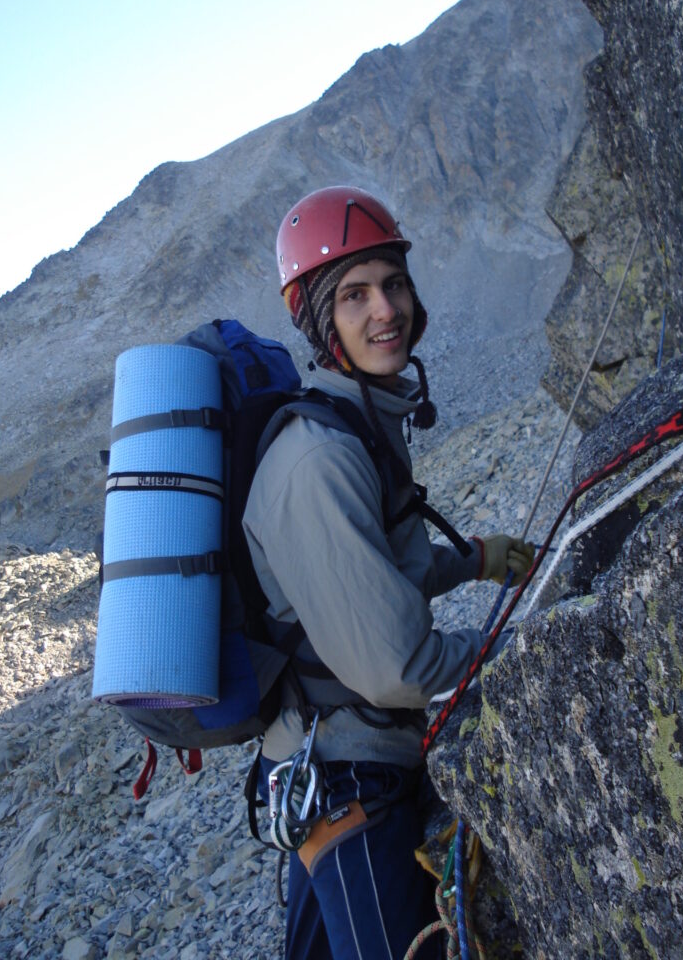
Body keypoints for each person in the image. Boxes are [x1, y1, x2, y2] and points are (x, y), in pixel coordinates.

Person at [243, 186, 534, 959]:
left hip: (335, 773)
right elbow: (396, 667)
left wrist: (474, 561)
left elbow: (368, 580)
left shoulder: (356, 421)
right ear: (318, 319)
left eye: (394, 283)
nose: (386, 310)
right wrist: (517, 653)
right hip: (349, 780)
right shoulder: (318, 459)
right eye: (355, 294)